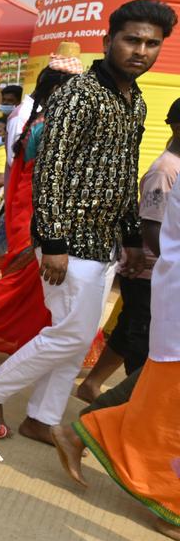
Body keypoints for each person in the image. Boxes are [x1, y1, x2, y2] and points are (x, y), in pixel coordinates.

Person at [0, 0, 176, 445]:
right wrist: (53, 242)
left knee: (77, 337)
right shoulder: (78, 94)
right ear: (108, 41)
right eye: (132, 40)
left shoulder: (135, 101)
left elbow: (123, 173)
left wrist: (131, 238)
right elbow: (50, 169)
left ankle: (42, 417)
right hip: (68, 238)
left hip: (106, 242)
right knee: (71, 334)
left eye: (151, 44)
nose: (141, 51)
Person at [53, 178, 180, 541]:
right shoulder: (165, 172)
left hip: (165, 305)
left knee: (152, 394)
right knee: (155, 403)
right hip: (159, 296)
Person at [0, 65, 80, 354]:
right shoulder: (46, 126)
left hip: (36, 209)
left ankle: (31, 342)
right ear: (57, 91)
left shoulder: (46, 122)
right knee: (20, 280)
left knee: (37, 285)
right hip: (35, 212)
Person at [76, 96, 180, 404]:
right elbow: (150, 224)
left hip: (161, 268)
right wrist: (171, 262)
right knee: (142, 338)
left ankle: (92, 384)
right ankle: (134, 405)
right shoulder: (165, 170)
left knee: (129, 328)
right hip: (151, 270)